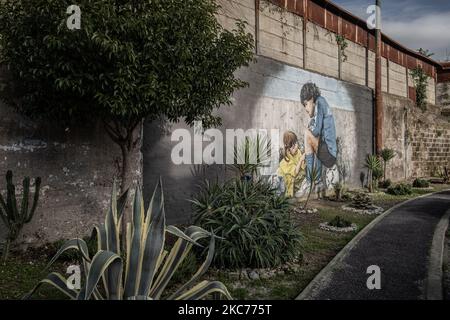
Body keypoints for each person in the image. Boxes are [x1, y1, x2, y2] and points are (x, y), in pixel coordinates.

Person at [296, 82, 337, 197]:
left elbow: (316, 130)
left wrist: (309, 131)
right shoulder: (320, 106)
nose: (305, 108)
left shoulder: (320, 101)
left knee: (307, 133)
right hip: (329, 154)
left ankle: (309, 182)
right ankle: (317, 181)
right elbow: (318, 139)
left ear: (312, 99)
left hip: (329, 154)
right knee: (312, 136)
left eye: (305, 104)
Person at [277, 131, 305, 197]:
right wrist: (301, 160)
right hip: (282, 179)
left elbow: (302, 167)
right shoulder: (287, 159)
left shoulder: (297, 152)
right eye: (293, 146)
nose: (296, 147)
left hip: (293, 179)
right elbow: (295, 172)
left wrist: (303, 160)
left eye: (296, 144)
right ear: (288, 148)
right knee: (281, 189)